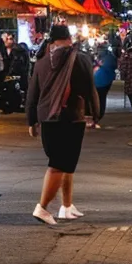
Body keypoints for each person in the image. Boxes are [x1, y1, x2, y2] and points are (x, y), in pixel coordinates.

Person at [26, 25, 100, 225]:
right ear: (68, 38)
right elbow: (89, 89)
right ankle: (42, 207)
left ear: (52, 41)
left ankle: (66, 206)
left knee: (65, 164)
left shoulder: (41, 62)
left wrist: (31, 120)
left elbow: (32, 92)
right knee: (59, 165)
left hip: (47, 118)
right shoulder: (79, 58)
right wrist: (95, 115)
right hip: (71, 117)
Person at [91, 39, 117, 128]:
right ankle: (98, 117)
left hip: (95, 81)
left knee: (95, 99)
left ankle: (95, 117)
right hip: (106, 81)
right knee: (102, 99)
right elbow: (115, 66)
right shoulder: (110, 57)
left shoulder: (96, 57)